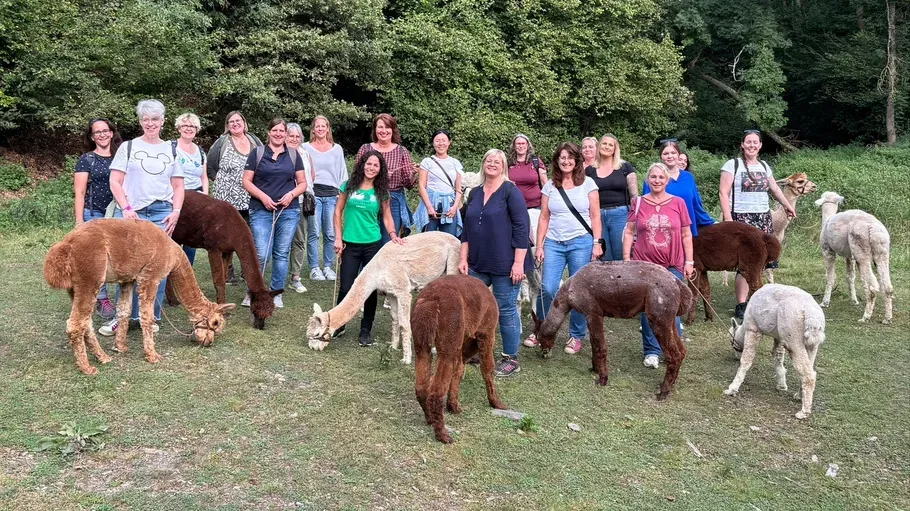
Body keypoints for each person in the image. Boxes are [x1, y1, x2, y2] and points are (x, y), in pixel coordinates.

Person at [99, 99, 185, 337]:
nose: (150, 124)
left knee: (157, 268)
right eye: (146, 119)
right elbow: (115, 182)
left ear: (163, 121)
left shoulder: (172, 149)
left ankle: (151, 317)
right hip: (131, 213)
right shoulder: (128, 147)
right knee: (126, 266)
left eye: (155, 119)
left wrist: (176, 211)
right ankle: (122, 317)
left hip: (161, 213)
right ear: (140, 122)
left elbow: (178, 186)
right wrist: (126, 207)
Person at [459, 149, 530, 377]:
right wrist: (463, 258)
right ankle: (477, 351)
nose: (492, 164)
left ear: (503, 166)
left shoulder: (511, 192)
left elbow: (521, 229)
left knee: (505, 309)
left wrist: (518, 264)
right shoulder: (474, 193)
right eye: (488, 160)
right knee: (474, 309)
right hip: (478, 262)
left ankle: (511, 358)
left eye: (497, 161)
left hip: (506, 263)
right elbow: (466, 230)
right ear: (483, 164)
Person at [530, 141, 603, 355]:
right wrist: (540, 245)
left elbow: (596, 215)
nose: (566, 161)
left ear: (577, 160)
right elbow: (544, 216)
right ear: (557, 161)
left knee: (579, 291)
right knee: (548, 287)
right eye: (562, 157)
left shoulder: (588, 184)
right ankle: (542, 329)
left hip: (581, 241)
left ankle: (576, 335)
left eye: (569, 157)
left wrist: (597, 242)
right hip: (553, 242)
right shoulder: (550, 186)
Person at [622, 163, 695, 368]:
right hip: (644, 266)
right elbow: (629, 232)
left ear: (667, 180)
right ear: (647, 180)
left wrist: (689, 261)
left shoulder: (678, 203)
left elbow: (686, 234)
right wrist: (627, 259)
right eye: (653, 177)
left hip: (673, 264)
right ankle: (651, 350)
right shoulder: (637, 203)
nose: (657, 181)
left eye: (661, 178)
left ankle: (672, 348)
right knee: (648, 309)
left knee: (672, 308)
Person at [719, 130, 796, 318]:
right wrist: (728, 220)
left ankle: (756, 299)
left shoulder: (763, 166)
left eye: (755, 142)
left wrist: (787, 206)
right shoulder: (732, 165)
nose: (752, 145)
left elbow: (775, 189)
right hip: (741, 218)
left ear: (760, 145)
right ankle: (741, 304)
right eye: (748, 142)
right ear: (742, 145)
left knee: (760, 260)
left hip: (762, 216)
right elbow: (723, 192)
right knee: (745, 262)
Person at [334, 150, 405, 346]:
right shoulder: (348, 186)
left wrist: (392, 235)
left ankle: (366, 329)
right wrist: (338, 238)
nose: (371, 168)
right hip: (350, 243)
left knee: (370, 288)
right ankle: (339, 323)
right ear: (362, 164)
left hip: (372, 244)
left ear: (380, 169)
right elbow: (338, 212)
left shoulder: (382, 192)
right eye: (369, 164)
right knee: (346, 287)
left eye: (376, 165)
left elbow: (387, 216)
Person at [242, 118, 308, 309]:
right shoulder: (258, 153)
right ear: (269, 132)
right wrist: (263, 197)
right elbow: (246, 181)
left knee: (281, 253)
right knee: (261, 253)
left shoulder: (294, 155)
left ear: (286, 134)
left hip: (288, 211)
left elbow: (302, 183)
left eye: (282, 131)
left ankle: (276, 293)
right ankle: (253, 292)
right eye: (275, 130)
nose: (279, 134)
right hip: (261, 210)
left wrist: (291, 195)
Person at [74, 118, 123, 320]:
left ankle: (124, 299)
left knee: (120, 256)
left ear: (112, 133)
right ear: (92, 136)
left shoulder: (121, 157)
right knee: (96, 259)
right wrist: (79, 222)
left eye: (105, 131)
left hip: (117, 214)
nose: (102, 135)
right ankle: (102, 299)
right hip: (94, 214)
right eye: (97, 132)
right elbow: (80, 192)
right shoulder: (87, 159)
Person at [209, 111, 263, 284]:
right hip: (226, 200)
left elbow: (264, 163)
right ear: (227, 125)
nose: (235, 124)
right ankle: (227, 270)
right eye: (231, 121)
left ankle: (247, 271)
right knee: (225, 236)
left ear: (244, 123)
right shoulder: (221, 142)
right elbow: (210, 168)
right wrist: (224, 183)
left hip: (250, 198)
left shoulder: (255, 141)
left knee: (249, 236)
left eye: (238, 120)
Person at [355, 114, 416, 243]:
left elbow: (408, 184)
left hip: (393, 199)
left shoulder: (401, 151)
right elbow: (356, 176)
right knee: (366, 239)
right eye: (380, 127)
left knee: (389, 242)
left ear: (393, 129)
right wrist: (380, 176)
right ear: (375, 129)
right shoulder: (365, 148)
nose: (383, 131)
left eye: (387, 127)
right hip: (368, 197)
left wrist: (414, 173)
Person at [302, 116, 347, 282]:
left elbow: (342, 173)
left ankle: (328, 266)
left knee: (330, 233)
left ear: (328, 129)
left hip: (331, 194)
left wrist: (342, 195)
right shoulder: (305, 147)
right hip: (313, 194)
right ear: (313, 129)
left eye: (323, 126)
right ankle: (314, 268)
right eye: (317, 126)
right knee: (314, 232)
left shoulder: (337, 149)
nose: (320, 129)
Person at [643, 140, 715, 237]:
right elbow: (646, 208)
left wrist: (710, 222)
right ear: (661, 156)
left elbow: (696, 205)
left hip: (687, 231)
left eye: (673, 153)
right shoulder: (654, 179)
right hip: (663, 232)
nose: (670, 156)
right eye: (666, 153)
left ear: (678, 155)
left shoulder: (688, 177)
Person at [585, 134, 638, 262]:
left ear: (615, 149)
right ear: (599, 146)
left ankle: (625, 282)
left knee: (622, 254)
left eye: (610, 145)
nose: (607, 147)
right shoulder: (589, 171)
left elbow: (635, 196)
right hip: (598, 217)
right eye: (604, 143)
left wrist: (635, 220)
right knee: (604, 256)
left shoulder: (625, 167)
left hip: (620, 214)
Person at [173, 112, 208, 266]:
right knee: (173, 238)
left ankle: (187, 273)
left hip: (195, 202)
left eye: (192, 126)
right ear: (179, 128)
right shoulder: (170, 148)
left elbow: (204, 177)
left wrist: (205, 196)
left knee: (191, 240)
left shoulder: (200, 152)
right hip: (174, 199)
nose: (189, 128)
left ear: (197, 129)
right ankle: (169, 275)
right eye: (185, 125)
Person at [286, 122, 316, 293]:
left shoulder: (305, 153)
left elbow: (312, 175)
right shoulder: (280, 153)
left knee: (299, 240)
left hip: (302, 202)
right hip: (284, 202)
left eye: (297, 136)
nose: (294, 139)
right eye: (291, 136)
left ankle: (295, 277)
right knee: (281, 241)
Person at [414, 129, 463, 236]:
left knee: (449, 238)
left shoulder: (455, 163)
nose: (441, 143)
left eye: (444, 140)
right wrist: (429, 206)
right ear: (433, 143)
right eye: (437, 141)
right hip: (431, 201)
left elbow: (458, 189)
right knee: (428, 239)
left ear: (449, 142)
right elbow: (422, 186)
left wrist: (455, 207)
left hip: (449, 204)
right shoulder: (427, 162)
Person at [507, 134, 549, 209]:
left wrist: (547, 204)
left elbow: (545, 184)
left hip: (536, 206)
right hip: (513, 206)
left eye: (523, 143)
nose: (521, 146)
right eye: (518, 144)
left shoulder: (535, 161)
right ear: (514, 146)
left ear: (527, 145)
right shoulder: (508, 163)